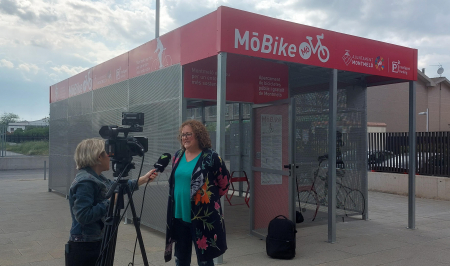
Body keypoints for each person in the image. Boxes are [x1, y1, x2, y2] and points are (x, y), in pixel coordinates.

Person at [66, 138, 158, 266]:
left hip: (94, 241)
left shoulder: (96, 177)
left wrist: (143, 179)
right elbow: (83, 215)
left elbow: (116, 187)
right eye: (107, 153)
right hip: (85, 247)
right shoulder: (85, 182)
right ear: (99, 157)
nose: (110, 157)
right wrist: (110, 201)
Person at [164, 120, 230, 266]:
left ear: (199, 135)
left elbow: (224, 184)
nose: (185, 138)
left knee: (205, 260)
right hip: (179, 216)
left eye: (188, 134)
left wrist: (208, 200)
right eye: (182, 135)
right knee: (181, 258)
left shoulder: (211, 157)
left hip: (201, 217)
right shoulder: (178, 155)